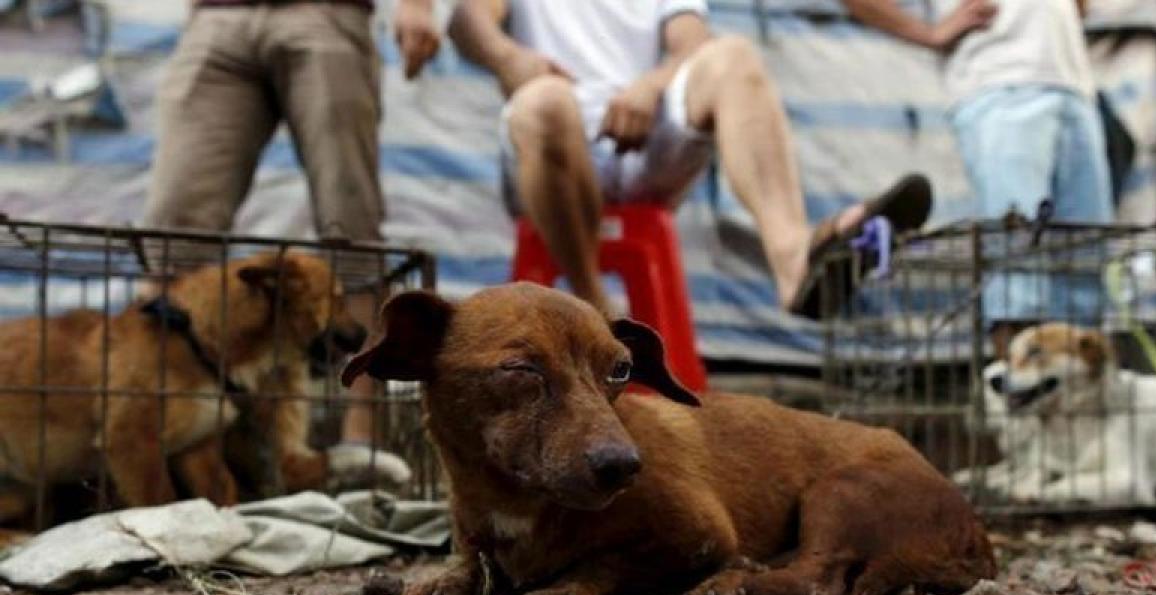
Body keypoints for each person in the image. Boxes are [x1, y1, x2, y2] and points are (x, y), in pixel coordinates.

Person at [410, 0, 936, 319]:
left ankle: (794, 260)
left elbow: (692, 41)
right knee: (547, 102)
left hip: (641, 145)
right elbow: (468, 19)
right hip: (548, 149)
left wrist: (652, 85)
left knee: (734, 58)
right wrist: (510, 58)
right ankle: (596, 306)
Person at [143, 0, 440, 447]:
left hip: (327, 12)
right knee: (173, 231)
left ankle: (363, 431)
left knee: (351, 225)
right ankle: (160, 415)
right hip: (216, 17)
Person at [844, 0, 1115, 355]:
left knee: (1084, 264)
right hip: (998, 83)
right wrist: (930, 34)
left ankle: (1077, 402)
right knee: (1015, 267)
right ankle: (1014, 401)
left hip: (1075, 87)